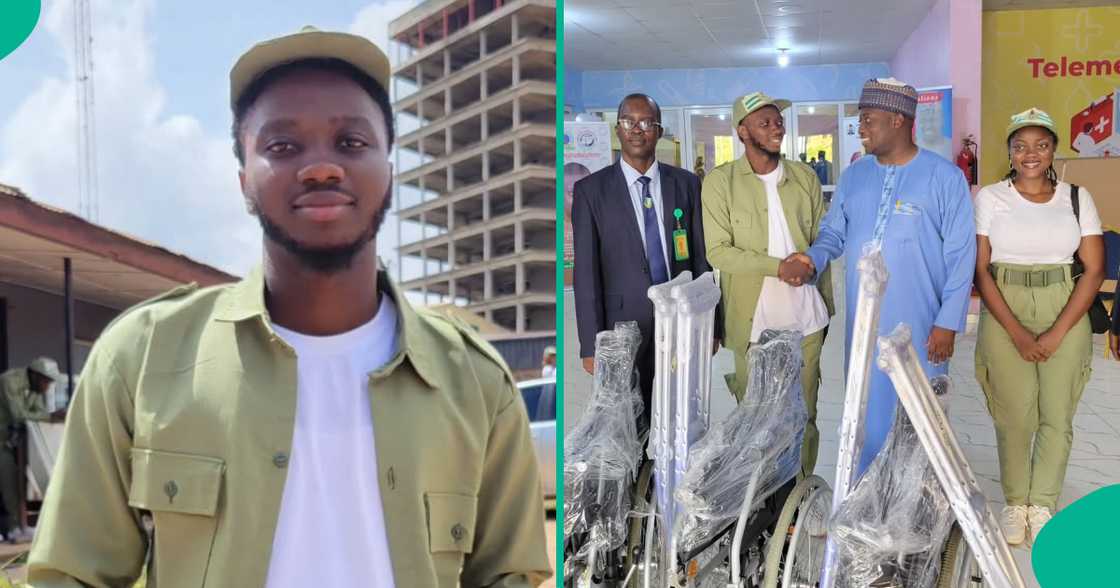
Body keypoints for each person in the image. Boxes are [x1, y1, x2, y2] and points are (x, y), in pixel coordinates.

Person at [28, 27, 550, 587]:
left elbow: (508, 576)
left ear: (390, 170)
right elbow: (72, 575)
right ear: (243, 180)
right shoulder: (141, 360)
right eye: (282, 147)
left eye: (351, 142)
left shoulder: (476, 384)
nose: (321, 168)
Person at [792, 78, 976, 472]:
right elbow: (833, 233)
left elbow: (962, 255)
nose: (862, 127)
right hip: (864, 327)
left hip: (922, 324)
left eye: (868, 118)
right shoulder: (854, 176)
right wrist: (812, 259)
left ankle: (916, 510)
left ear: (897, 120)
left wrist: (947, 322)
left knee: (920, 419)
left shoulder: (944, 178)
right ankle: (863, 508)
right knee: (864, 413)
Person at [972, 108, 1105, 545]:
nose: (1030, 154)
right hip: (1005, 304)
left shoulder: (1076, 197)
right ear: (1009, 152)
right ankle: (1015, 503)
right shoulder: (990, 198)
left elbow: (1094, 268)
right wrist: (1017, 332)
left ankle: (1042, 503)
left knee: (1056, 415)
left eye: (1041, 145)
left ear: (1053, 151)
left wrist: (1054, 332)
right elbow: (981, 269)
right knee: (1013, 416)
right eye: (1020, 145)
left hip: (1064, 304)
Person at [702, 92, 835, 477]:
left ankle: (801, 493)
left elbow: (822, 235)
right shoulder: (720, 183)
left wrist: (810, 262)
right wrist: (780, 267)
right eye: (765, 123)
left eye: (778, 121)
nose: (776, 128)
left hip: (806, 320)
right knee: (755, 420)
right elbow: (718, 252)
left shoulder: (804, 177)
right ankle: (761, 500)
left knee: (805, 414)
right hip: (753, 326)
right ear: (742, 131)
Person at [572, 93, 720, 417]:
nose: (637, 129)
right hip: (621, 328)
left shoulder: (686, 184)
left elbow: (700, 259)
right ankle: (636, 469)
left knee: (678, 412)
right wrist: (590, 344)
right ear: (617, 129)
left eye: (646, 122)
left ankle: (667, 470)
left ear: (659, 130)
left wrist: (713, 326)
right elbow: (585, 275)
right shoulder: (591, 191)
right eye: (629, 121)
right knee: (626, 419)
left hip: (680, 323)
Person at [0, 357, 63, 543]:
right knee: (8, 480)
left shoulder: (35, 389)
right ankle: (13, 529)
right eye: (46, 381)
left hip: (10, 443)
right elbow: (18, 415)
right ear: (35, 375)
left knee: (14, 483)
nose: (48, 386)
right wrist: (51, 416)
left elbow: (38, 415)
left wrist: (52, 417)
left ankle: (18, 527)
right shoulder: (10, 381)